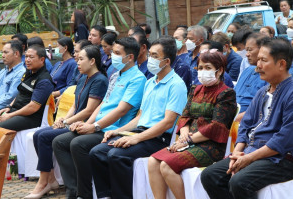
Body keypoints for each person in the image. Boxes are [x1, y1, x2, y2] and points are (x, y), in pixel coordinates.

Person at [89, 36, 188, 199]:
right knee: (97, 152)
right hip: (139, 132)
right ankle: (105, 196)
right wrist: (118, 131)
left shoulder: (176, 85)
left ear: (167, 61)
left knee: (116, 154)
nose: (150, 59)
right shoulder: (150, 82)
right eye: (150, 54)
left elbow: (168, 122)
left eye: (155, 56)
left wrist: (137, 139)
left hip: (158, 137)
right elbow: (140, 117)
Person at [52, 37, 147, 199]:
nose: (112, 56)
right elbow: (103, 104)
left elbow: (121, 110)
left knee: (78, 144)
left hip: (112, 129)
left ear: (130, 57)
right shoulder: (116, 75)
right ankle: (73, 190)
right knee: (59, 142)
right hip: (98, 125)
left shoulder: (138, 78)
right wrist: (85, 124)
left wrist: (94, 127)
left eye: (117, 53)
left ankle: (85, 193)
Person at [201, 38, 293, 199]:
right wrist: (237, 153)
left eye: (264, 60)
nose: (257, 66)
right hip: (252, 151)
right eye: (258, 60)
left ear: (281, 64)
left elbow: (283, 139)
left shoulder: (290, 93)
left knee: (239, 181)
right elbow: (246, 124)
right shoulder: (263, 91)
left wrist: (248, 158)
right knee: (210, 175)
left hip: (281, 158)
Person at [148, 49, 237, 199]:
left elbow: (216, 126)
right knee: (152, 161)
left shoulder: (226, 93)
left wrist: (188, 140)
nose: (202, 72)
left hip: (209, 145)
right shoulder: (195, 89)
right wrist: (183, 136)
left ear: (220, 70)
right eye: (200, 68)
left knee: (166, 165)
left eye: (208, 68)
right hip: (188, 140)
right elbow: (185, 116)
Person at [24, 46, 108, 199]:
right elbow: (75, 105)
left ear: (93, 61)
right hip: (72, 121)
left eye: (81, 59)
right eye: (77, 59)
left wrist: (67, 121)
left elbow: (89, 110)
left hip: (83, 122)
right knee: (38, 135)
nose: (77, 62)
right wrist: (63, 119)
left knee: (46, 137)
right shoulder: (83, 77)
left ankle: (56, 185)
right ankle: (50, 179)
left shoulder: (100, 80)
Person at [0, 45, 55, 131]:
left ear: (42, 59)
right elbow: (20, 93)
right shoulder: (28, 73)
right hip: (15, 111)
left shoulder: (44, 80)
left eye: (31, 57)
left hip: (30, 117)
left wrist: (10, 115)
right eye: (26, 56)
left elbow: (33, 107)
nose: (27, 60)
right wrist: (9, 107)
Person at [234, 33, 268, 122]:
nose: (247, 54)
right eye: (246, 50)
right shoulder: (247, 70)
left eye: (250, 50)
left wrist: (233, 120)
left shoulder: (269, 76)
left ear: (263, 50)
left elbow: (261, 110)